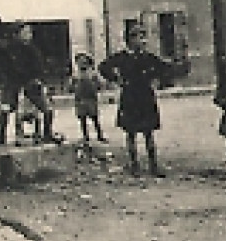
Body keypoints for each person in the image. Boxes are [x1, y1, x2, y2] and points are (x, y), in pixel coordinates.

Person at [100, 24, 173, 176]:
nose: (143, 41)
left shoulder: (148, 57)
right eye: (139, 37)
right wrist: (116, 79)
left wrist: (157, 79)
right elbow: (103, 67)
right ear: (131, 40)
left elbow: (164, 68)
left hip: (146, 96)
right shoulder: (122, 57)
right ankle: (134, 166)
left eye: (143, 37)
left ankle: (153, 165)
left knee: (149, 132)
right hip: (130, 96)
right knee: (131, 133)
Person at [0, 23, 59, 145]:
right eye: (25, 32)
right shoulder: (8, 48)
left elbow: (40, 68)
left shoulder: (33, 50)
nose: (29, 35)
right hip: (12, 83)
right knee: (4, 109)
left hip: (30, 83)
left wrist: (38, 80)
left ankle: (48, 133)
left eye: (30, 32)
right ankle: (1, 136)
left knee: (47, 109)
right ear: (17, 34)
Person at [70, 52, 108, 147]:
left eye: (83, 62)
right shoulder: (75, 75)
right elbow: (71, 86)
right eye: (79, 62)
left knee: (94, 118)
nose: (81, 64)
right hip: (80, 99)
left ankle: (99, 135)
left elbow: (100, 84)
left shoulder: (92, 73)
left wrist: (96, 87)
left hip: (90, 98)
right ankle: (85, 136)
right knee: (82, 118)